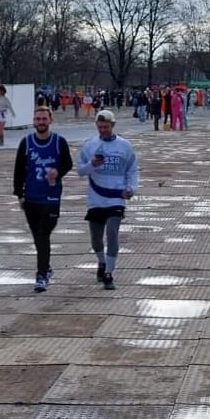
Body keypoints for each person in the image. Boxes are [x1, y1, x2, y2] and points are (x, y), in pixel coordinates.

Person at [13, 106, 74, 293]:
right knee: (38, 236)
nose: (41, 122)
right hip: (31, 197)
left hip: (51, 197)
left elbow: (68, 163)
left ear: (50, 120)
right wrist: (19, 194)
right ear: (33, 121)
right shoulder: (26, 143)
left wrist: (58, 172)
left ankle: (41, 275)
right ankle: (45, 267)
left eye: (44, 119)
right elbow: (19, 170)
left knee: (43, 234)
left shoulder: (59, 142)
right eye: (38, 119)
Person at [77, 110, 138, 291]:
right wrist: (92, 165)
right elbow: (80, 171)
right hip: (96, 199)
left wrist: (131, 188)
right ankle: (102, 262)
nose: (103, 130)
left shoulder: (125, 146)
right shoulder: (89, 146)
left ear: (113, 126)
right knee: (96, 240)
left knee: (112, 234)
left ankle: (109, 273)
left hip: (116, 199)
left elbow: (133, 170)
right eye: (100, 127)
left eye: (106, 127)